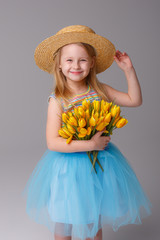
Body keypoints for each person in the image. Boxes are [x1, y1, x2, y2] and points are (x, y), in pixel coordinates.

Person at [22, 25, 152, 240]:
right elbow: (53, 142)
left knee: (93, 219)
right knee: (64, 221)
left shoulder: (100, 91)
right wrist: (90, 145)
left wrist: (129, 70)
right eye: (69, 60)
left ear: (92, 63)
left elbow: (134, 100)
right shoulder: (58, 100)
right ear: (60, 66)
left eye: (82, 60)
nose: (76, 65)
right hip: (68, 167)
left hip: (98, 166)